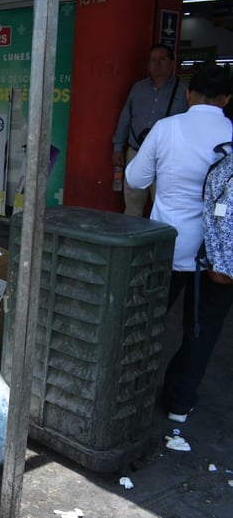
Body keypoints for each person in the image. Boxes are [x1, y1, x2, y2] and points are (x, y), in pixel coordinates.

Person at [125, 64, 233, 423]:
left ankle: (125, 394)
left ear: (189, 94)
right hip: (218, 256)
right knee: (202, 330)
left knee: (143, 325)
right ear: (226, 99)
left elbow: (136, 178)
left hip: (166, 248)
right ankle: (178, 404)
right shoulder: (232, 134)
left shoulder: (166, 128)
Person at [112, 44, 188, 216]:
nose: (157, 64)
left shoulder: (183, 91)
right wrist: (118, 147)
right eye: (153, 60)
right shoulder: (138, 88)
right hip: (136, 151)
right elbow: (126, 118)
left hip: (167, 155)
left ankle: (156, 241)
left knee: (163, 205)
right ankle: (131, 239)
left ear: (171, 63)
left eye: (162, 59)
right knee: (132, 202)